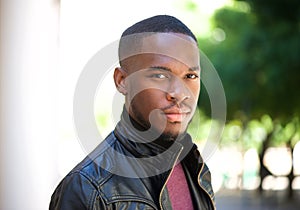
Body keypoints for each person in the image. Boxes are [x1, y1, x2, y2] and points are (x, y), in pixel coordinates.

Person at [50, 15, 216, 210]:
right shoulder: (87, 188)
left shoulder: (194, 166)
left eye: (190, 76)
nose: (179, 94)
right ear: (122, 80)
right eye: (160, 75)